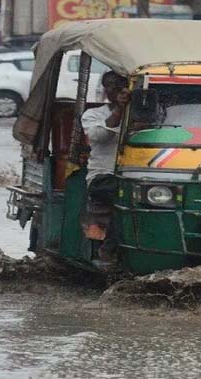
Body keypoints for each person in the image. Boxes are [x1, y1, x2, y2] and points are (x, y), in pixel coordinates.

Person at [81, 71, 130, 267]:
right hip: (102, 177)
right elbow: (99, 136)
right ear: (104, 89)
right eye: (110, 85)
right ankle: (108, 251)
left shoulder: (144, 112)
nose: (115, 88)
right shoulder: (93, 115)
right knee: (126, 196)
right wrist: (119, 109)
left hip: (135, 177)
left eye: (120, 84)